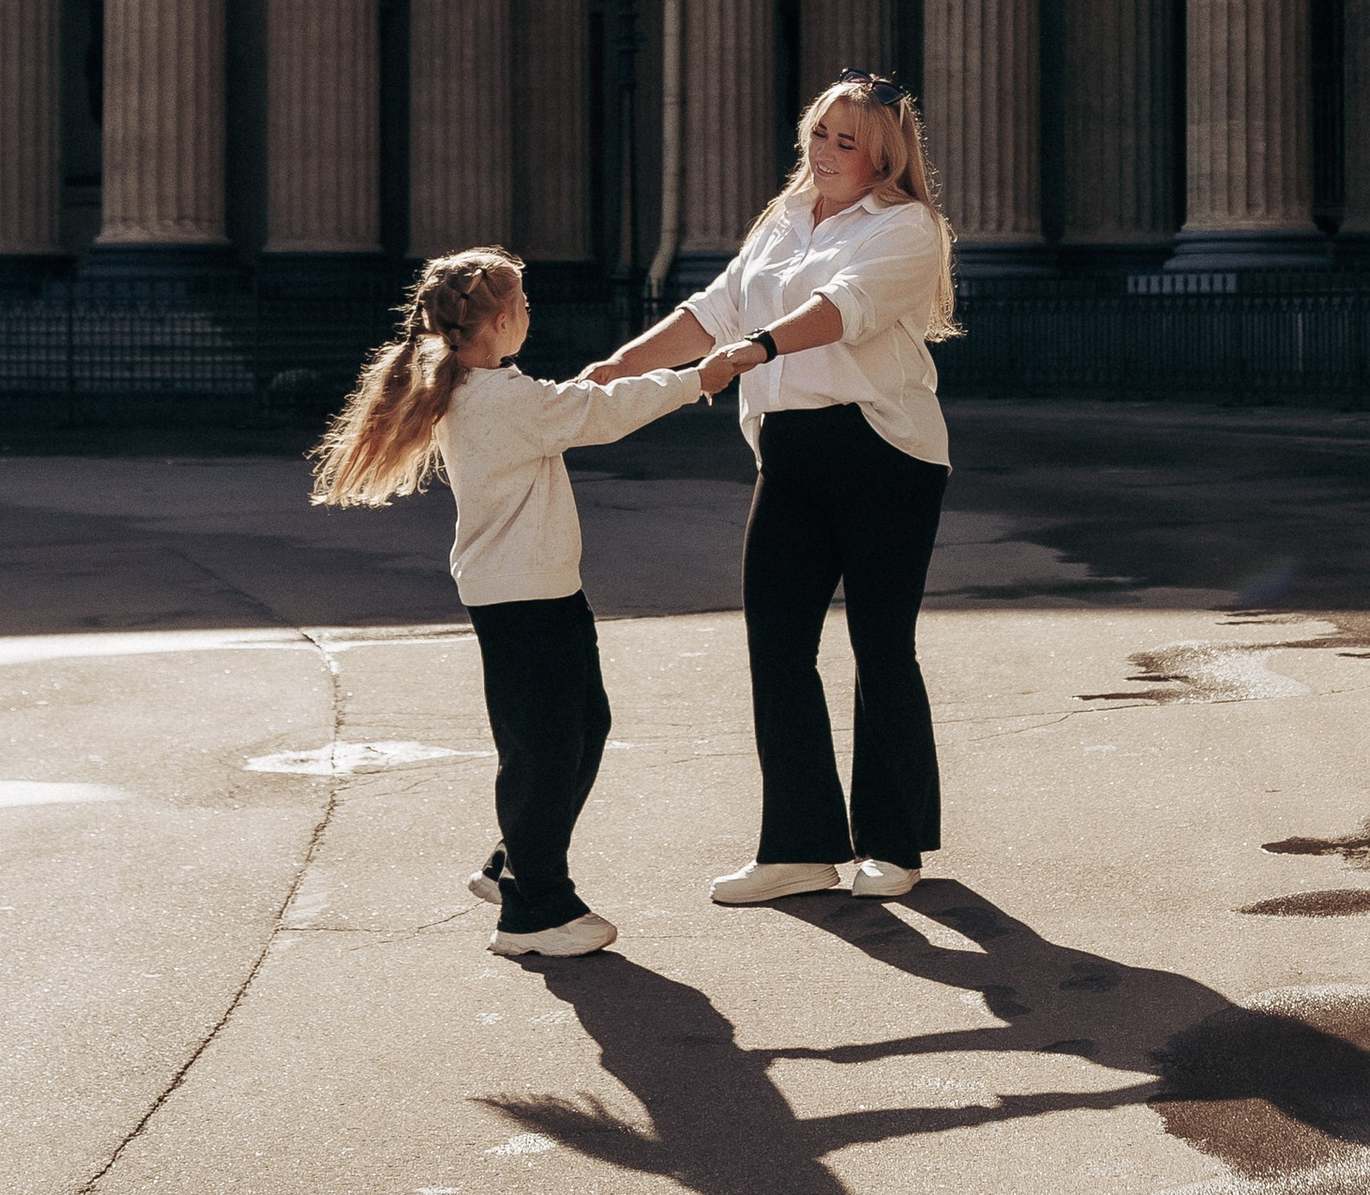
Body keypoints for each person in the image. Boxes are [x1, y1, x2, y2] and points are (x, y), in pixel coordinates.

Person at [311, 248, 758, 961]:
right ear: (496, 320)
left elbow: (566, 409)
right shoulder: (499, 400)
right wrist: (699, 377)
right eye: (521, 306)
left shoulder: (488, 390)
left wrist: (596, 391)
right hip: (522, 595)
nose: (528, 315)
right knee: (544, 748)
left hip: (537, 587)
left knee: (576, 729)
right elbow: (602, 414)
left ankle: (514, 864)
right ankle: (533, 909)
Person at [581, 75, 957, 906]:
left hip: (883, 450)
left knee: (880, 645)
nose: (824, 154)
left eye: (845, 142)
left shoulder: (907, 228)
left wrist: (754, 350)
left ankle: (893, 845)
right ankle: (798, 846)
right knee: (776, 645)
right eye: (818, 134)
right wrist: (619, 365)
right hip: (787, 449)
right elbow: (710, 309)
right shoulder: (782, 221)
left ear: (883, 156)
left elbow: (843, 308)